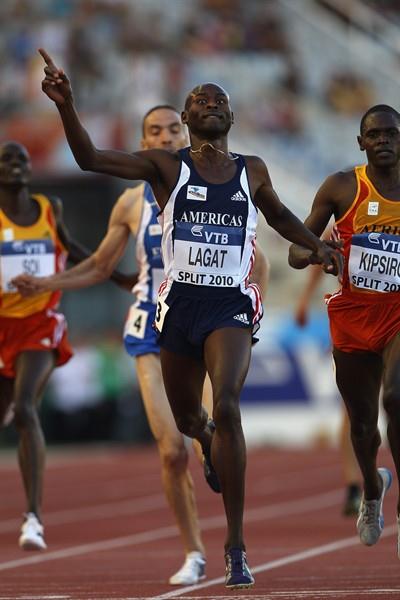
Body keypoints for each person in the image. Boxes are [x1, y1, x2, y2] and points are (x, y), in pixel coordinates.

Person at [36, 48, 341, 589]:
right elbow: (90, 159)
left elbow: (281, 217)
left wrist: (318, 246)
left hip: (229, 306)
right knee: (188, 422)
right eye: (199, 99)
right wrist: (67, 106)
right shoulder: (166, 167)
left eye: (218, 99)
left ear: (231, 118)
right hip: (177, 309)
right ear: (188, 115)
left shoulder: (253, 170)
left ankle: (236, 547)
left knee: (226, 406)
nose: (210, 102)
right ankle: (205, 442)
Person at [13, 104, 269, 584]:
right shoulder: (132, 202)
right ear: (145, 140)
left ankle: (234, 534)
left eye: (174, 127)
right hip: (152, 329)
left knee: (219, 422)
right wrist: (47, 283)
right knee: (173, 449)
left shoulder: (218, 182)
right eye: (156, 131)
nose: (167, 136)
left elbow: (259, 263)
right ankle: (194, 552)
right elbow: (101, 266)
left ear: (186, 131)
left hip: (213, 316)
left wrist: (252, 315)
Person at [289, 104, 400, 554]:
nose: (384, 141)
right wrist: (320, 250)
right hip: (353, 316)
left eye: (391, 133)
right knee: (360, 424)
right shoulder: (341, 186)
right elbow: (296, 252)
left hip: (397, 313)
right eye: (374, 135)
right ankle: (372, 492)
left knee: (395, 397)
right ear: (361, 143)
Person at [0, 140, 93, 551]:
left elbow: (71, 250)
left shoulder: (48, 208)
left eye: (22, 159)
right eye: (7, 159)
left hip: (40, 320)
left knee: (25, 407)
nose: (16, 164)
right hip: (2, 323)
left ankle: (33, 517)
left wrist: (114, 273)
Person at [294, 259, 362, 517]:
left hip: (392, 320)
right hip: (352, 324)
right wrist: (304, 299)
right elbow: (317, 249)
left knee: (392, 402)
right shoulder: (343, 221)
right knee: (352, 409)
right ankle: (354, 485)